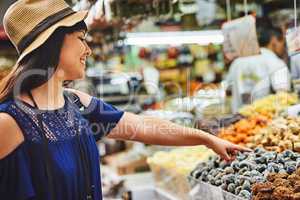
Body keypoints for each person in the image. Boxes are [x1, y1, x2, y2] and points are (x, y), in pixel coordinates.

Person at [0, 1, 249, 200]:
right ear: (53, 43)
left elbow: (141, 126)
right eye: (80, 38)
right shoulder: (9, 122)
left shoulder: (76, 104)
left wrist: (205, 139)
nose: (88, 50)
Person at [226, 26, 291, 113]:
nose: (284, 49)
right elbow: (283, 95)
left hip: (237, 122)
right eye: (283, 44)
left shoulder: (238, 62)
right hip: (263, 122)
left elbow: (228, 91)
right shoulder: (276, 63)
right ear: (274, 41)